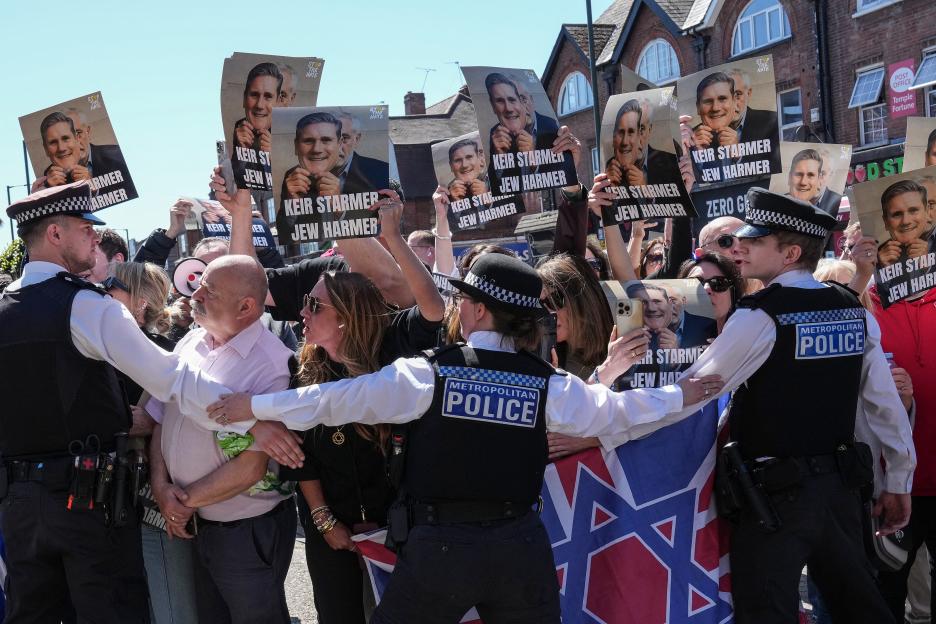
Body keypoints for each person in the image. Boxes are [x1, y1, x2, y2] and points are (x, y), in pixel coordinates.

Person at [208, 252, 723, 624]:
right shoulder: (546, 381)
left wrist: (251, 407)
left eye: (461, 298)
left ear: (476, 309)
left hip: (440, 550)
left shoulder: (427, 374)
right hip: (520, 546)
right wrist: (684, 395)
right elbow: (616, 411)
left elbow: (330, 401)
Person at [633, 188, 915, 623]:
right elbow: (884, 406)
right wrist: (897, 479)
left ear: (791, 253)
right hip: (839, 491)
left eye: (756, 240)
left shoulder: (761, 314)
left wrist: (610, 421)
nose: (739, 247)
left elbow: (693, 391)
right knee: (860, 609)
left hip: (775, 502)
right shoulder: (850, 310)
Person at [0, 181, 239, 623]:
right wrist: (250, 411)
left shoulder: (6, 306)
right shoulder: (87, 306)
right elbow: (172, 379)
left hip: (20, 503)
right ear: (55, 234)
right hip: (86, 502)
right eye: (84, 228)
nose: (96, 236)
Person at [146, 255, 297, 624]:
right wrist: (161, 487)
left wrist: (182, 502)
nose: (194, 292)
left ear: (246, 306)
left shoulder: (274, 364)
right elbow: (161, 421)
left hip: (243, 532)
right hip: (195, 522)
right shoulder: (191, 342)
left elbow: (252, 466)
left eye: (208, 290)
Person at [104, 262, 200, 624]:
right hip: (129, 499)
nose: (103, 294)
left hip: (154, 501)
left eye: (114, 287)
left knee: (172, 606)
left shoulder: (163, 353)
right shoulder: (114, 350)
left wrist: (150, 420)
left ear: (139, 301)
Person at [63, 107, 137, 197]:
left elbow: (133, 196)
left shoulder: (117, 155)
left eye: (78, 132)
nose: (75, 143)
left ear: (88, 131)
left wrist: (95, 189)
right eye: (67, 137)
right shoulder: (56, 173)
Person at [877, 179, 930, 267]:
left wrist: (928, 266)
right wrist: (880, 269)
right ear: (885, 221)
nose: (906, 221)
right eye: (897, 214)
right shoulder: (875, 259)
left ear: (927, 212)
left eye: (913, 210)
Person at [233, 62, 281, 156]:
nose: (259, 105)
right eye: (254, 95)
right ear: (244, 98)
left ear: (278, 102)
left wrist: (275, 161)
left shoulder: (291, 135)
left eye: (268, 96)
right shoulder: (239, 129)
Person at [335, 112, 391, 190]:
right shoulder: (314, 173)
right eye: (330, 139)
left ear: (356, 140)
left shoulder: (382, 172)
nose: (337, 146)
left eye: (344, 138)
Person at [727, 67, 781, 149]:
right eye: (725, 97)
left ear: (748, 93)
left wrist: (737, 155)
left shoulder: (771, 121)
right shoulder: (708, 131)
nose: (732, 104)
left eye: (737, 94)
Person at [35, 111, 90, 189]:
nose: (61, 148)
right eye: (53, 142)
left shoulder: (108, 161)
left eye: (65, 138)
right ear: (46, 149)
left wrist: (92, 187)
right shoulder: (40, 188)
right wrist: (48, 191)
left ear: (77, 139)